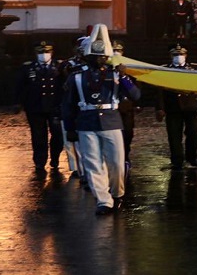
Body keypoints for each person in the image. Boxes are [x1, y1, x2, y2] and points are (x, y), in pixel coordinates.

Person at [63, 24, 141, 215]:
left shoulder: (116, 75)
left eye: (102, 56)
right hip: (86, 122)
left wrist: (124, 77)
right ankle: (103, 200)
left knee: (116, 162)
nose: (100, 60)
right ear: (88, 57)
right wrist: (70, 127)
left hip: (111, 121)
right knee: (92, 163)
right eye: (95, 56)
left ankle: (117, 193)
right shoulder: (76, 77)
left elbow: (136, 95)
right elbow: (68, 105)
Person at [15, 40, 64, 175]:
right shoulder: (28, 68)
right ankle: (40, 162)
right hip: (35, 107)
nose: (44, 54)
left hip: (55, 106)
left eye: (47, 52)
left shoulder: (60, 66)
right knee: (38, 136)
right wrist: (18, 102)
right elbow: (20, 86)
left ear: (52, 52)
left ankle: (55, 158)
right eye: (41, 52)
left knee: (58, 135)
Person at [156, 44, 197, 170]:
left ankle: (192, 157)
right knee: (174, 135)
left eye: (181, 54)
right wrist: (160, 108)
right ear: (170, 56)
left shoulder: (195, 69)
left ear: (186, 55)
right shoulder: (164, 70)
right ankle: (177, 160)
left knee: (193, 134)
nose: (178, 57)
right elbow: (160, 91)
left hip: (191, 106)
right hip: (173, 107)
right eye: (175, 55)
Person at [59, 36, 89, 181]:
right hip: (71, 104)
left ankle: (86, 169)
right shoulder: (68, 64)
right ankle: (77, 168)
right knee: (71, 141)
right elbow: (64, 73)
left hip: (86, 106)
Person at [111, 40, 139, 177]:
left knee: (127, 135)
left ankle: (125, 157)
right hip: (110, 110)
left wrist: (123, 76)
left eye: (119, 51)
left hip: (125, 108)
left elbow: (136, 92)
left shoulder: (129, 69)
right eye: (114, 51)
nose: (116, 53)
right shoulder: (104, 70)